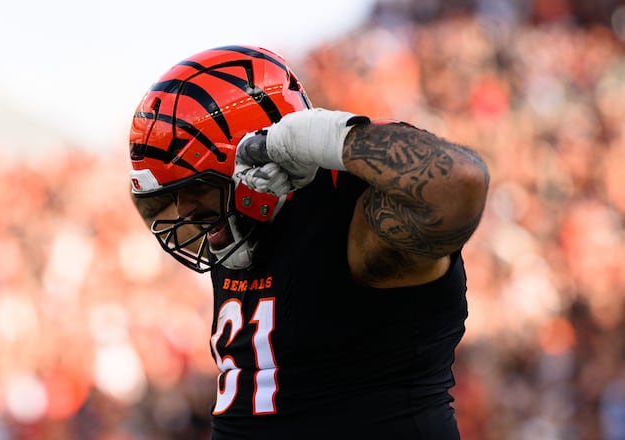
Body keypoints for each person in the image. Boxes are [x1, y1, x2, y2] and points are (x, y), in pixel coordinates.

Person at [127, 45, 489, 439]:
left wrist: (330, 138)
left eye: (196, 186)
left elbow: (460, 184)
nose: (184, 208)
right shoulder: (238, 231)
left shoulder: (347, 211)